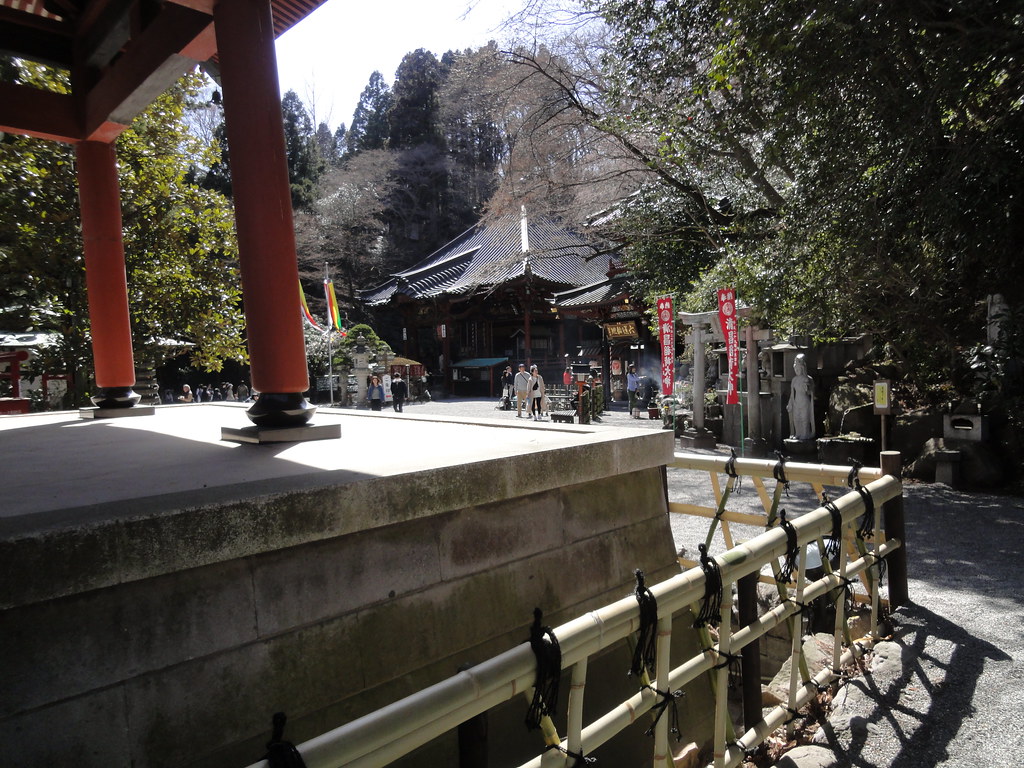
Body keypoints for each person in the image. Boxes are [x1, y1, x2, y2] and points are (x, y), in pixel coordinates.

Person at [787, 353, 815, 440]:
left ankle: (805, 434)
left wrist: (808, 388)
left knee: (804, 419)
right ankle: (797, 433)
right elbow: (792, 394)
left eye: (798, 368)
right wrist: (790, 403)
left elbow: (811, 392)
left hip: (804, 402)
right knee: (796, 419)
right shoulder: (794, 380)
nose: (796, 370)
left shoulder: (808, 378)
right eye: (795, 368)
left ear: (802, 368)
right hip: (796, 402)